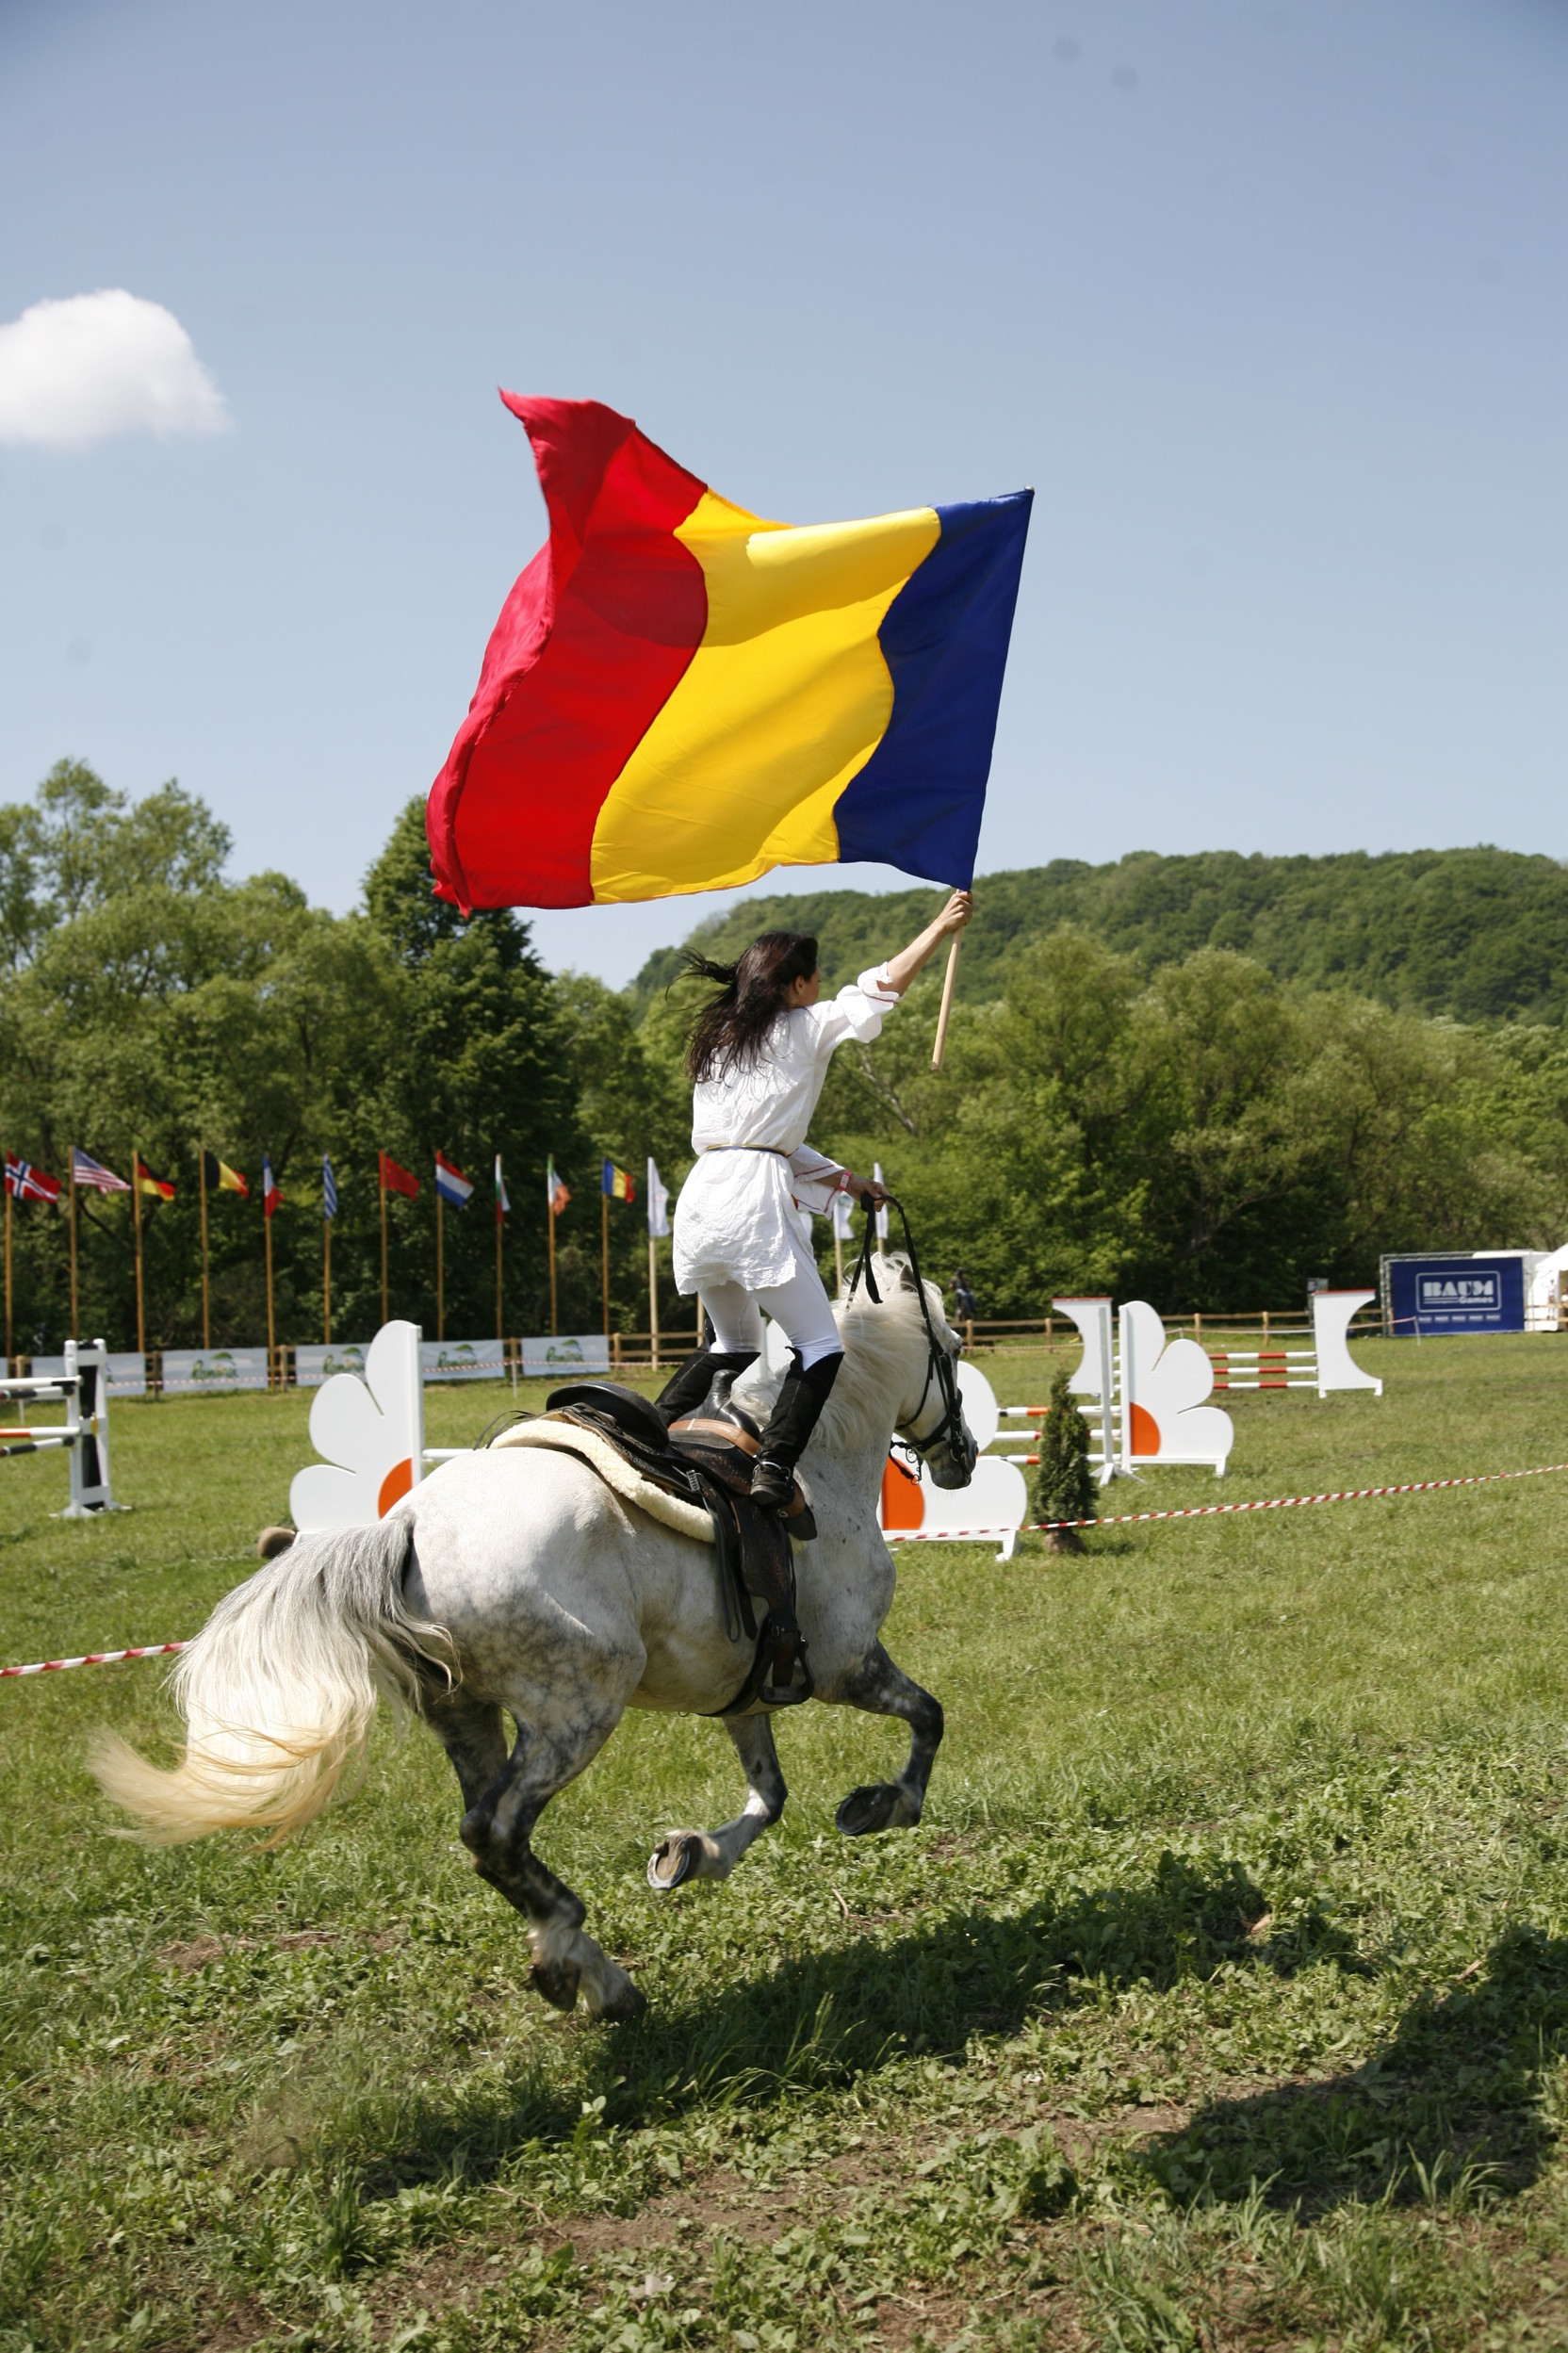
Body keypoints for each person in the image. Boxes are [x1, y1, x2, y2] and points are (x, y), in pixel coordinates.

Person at [658, 890, 973, 1509]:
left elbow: (760, 1139)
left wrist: (847, 1181)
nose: (822, 984)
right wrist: (940, 926)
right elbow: (880, 987)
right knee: (822, 1345)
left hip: (702, 1197)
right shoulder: (805, 1026)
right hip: (752, 1202)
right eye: (816, 976)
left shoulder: (721, 1040)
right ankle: (774, 1466)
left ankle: (643, 1430)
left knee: (733, 1345)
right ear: (795, 984)